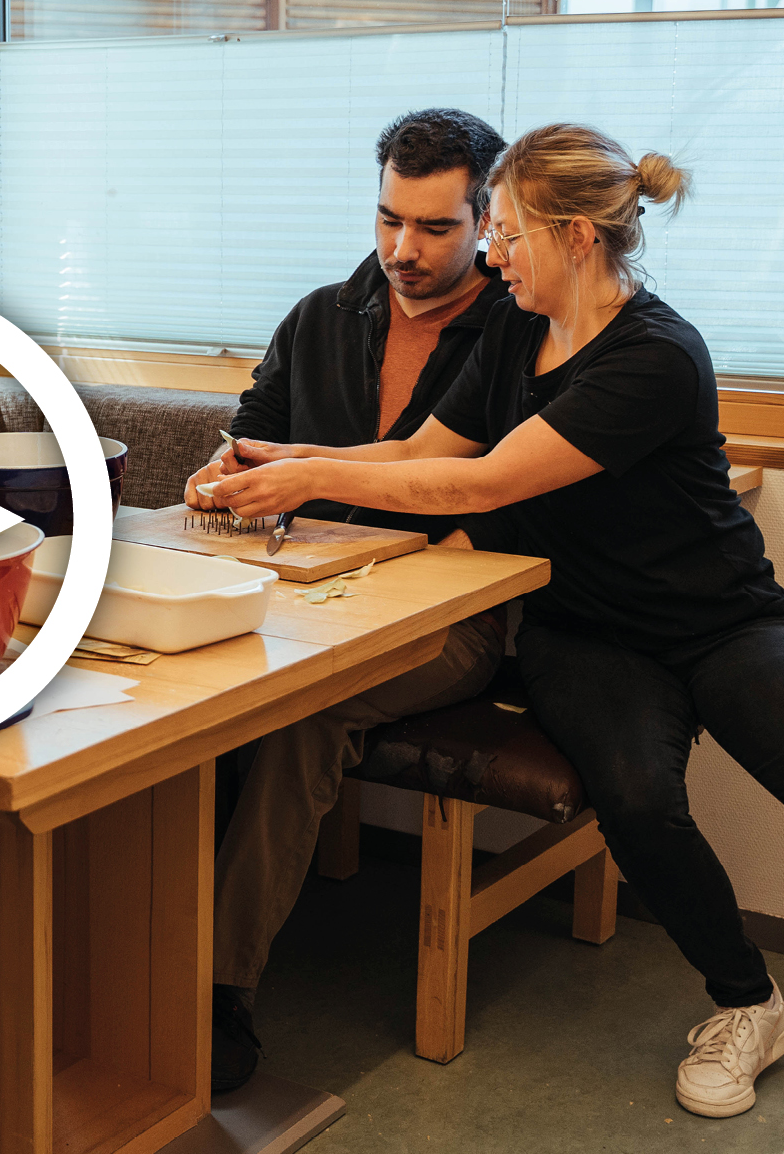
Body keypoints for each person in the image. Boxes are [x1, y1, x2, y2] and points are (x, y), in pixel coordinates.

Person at [211, 123, 784, 1119]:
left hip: (716, 618)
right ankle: (749, 1001)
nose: (490, 252)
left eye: (505, 232)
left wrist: (306, 480)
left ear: (574, 237)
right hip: (583, 631)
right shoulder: (515, 331)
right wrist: (279, 460)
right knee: (638, 800)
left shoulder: (654, 356)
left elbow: (480, 484)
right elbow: (417, 453)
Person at [183, 108, 514, 1093]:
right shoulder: (322, 314)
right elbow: (252, 433)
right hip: (304, 591)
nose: (403, 250)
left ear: (486, 220)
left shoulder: (519, 328)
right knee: (179, 693)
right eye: (388, 220)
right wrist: (222, 473)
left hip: (452, 620)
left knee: (301, 712)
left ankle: (213, 988)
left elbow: (507, 493)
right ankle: (123, 941)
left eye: (435, 228)